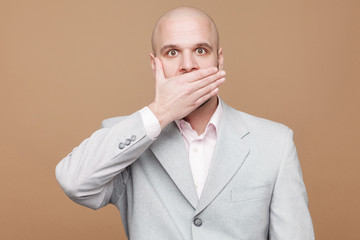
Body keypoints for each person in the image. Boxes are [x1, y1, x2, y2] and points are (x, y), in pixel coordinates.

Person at [55, 6, 315, 240]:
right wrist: (161, 111)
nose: (188, 65)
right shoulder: (126, 137)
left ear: (219, 59)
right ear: (154, 64)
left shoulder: (275, 143)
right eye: (172, 52)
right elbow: (74, 182)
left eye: (200, 50)